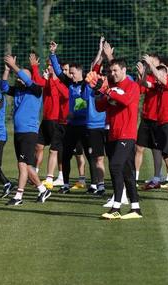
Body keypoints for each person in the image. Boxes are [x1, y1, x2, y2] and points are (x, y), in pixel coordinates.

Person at [49, 41, 107, 196]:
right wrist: (53, 54)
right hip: (72, 126)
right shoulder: (70, 83)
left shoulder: (86, 84)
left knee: (91, 156)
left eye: (73, 73)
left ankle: (95, 185)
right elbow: (58, 71)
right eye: (70, 73)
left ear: (80, 73)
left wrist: (101, 51)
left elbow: (85, 102)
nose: (70, 75)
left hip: (85, 125)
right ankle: (66, 184)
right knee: (66, 154)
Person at [92, 58, 142, 219]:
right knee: (127, 172)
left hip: (126, 134)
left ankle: (116, 207)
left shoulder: (132, 86)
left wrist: (107, 90)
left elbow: (126, 101)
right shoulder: (111, 87)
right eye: (111, 71)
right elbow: (100, 107)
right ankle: (135, 208)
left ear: (124, 70)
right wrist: (97, 91)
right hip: (113, 134)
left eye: (115, 71)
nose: (112, 74)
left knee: (115, 166)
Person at [1, 54, 51, 205]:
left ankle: (18, 196)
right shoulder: (18, 90)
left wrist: (15, 68)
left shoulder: (36, 89)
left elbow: (28, 80)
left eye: (21, 77)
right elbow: (3, 86)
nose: (19, 79)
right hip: (19, 132)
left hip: (29, 132)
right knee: (26, 165)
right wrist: (7, 70)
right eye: (18, 77)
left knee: (22, 164)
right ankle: (43, 189)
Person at [142, 55, 168, 191]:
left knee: (167, 152)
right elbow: (145, 84)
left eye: (160, 73)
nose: (156, 76)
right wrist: (143, 72)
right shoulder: (158, 86)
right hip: (160, 123)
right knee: (165, 153)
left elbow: (160, 77)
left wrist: (150, 64)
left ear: (166, 73)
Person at [29, 53, 68, 190]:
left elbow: (59, 91)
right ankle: (35, 174)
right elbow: (37, 81)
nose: (48, 67)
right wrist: (34, 67)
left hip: (56, 121)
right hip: (45, 120)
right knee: (38, 147)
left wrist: (52, 78)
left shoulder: (60, 83)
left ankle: (58, 177)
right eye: (48, 65)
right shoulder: (48, 80)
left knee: (56, 150)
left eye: (51, 65)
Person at [135, 54, 164, 189]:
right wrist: (142, 74)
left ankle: (157, 177)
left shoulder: (162, 78)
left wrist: (144, 74)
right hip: (146, 118)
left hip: (157, 119)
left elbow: (148, 84)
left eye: (151, 62)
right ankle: (134, 177)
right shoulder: (149, 76)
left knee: (156, 150)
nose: (149, 64)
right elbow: (141, 88)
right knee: (139, 147)